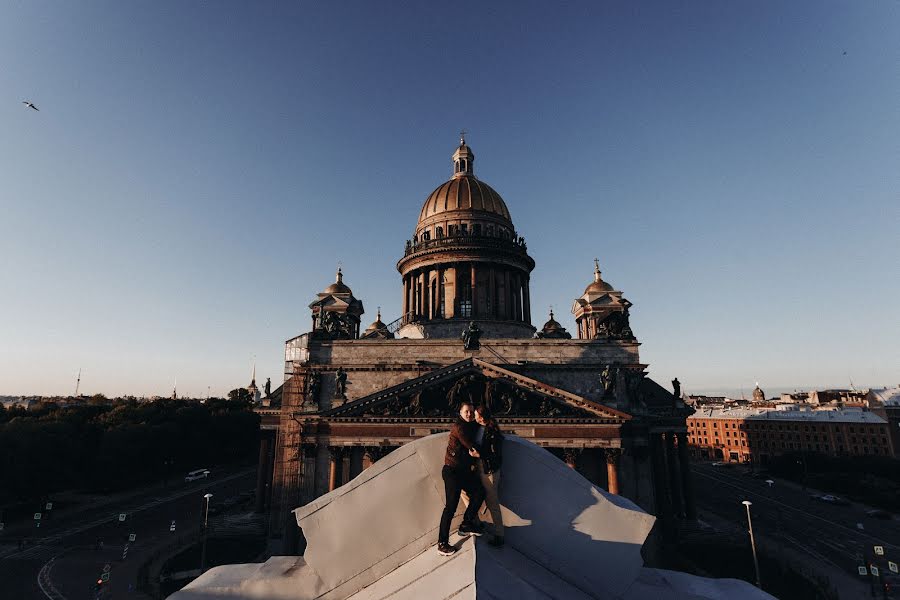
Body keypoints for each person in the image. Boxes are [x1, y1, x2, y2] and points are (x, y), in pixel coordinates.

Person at [437, 401, 486, 556]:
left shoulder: (472, 426)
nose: (469, 414)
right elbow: (470, 445)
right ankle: (442, 543)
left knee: (479, 492)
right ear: (460, 412)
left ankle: (466, 523)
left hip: (463, 472)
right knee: (450, 507)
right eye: (466, 412)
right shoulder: (459, 427)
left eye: (471, 412)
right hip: (452, 472)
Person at [472, 404, 505, 547]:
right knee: (468, 493)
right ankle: (476, 522)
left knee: (493, 504)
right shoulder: (477, 428)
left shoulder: (493, 432)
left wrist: (480, 455)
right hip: (478, 468)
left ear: (481, 416)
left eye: (475, 414)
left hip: (489, 471)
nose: (473, 417)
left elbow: (495, 456)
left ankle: (499, 535)